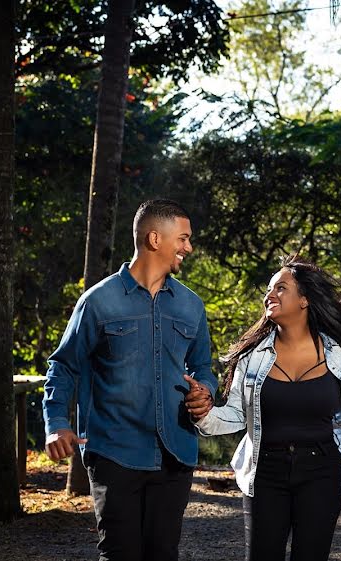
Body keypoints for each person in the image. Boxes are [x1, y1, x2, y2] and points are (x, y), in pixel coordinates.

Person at [186, 254, 341, 561]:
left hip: (321, 472)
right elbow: (235, 415)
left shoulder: (338, 357)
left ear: (304, 300)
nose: (269, 295)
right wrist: (202, 412)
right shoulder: (252, 357)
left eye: (280, 288)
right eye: (268, 290)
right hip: (265, 473)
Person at [42, 199, 218, 561]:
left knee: (163, 553)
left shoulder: (191, 306)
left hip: (176, 453)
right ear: (155, 238)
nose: (189, 248)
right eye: (183, 239)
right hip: (114, 453)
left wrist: (206, 393)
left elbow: (203, 367)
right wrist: (56, 424)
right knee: (120, 553)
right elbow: (63, 366)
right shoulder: (99, 302)